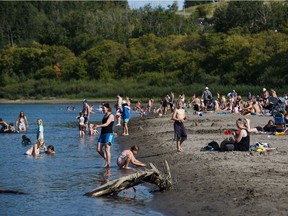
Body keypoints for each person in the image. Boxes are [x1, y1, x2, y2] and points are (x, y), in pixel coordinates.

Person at [96, 103, 115, 168]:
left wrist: (98, 126)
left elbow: (106, 124)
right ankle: (107, 160)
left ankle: (108, 163)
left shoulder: (111, 115)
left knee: (107, 149)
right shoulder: (104, 116)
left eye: (103, 108)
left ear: (108, 108)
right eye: (102, 108)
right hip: (102, 134)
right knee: (98, 149)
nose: (102, 109)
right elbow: (103, 125)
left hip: (109, 134)